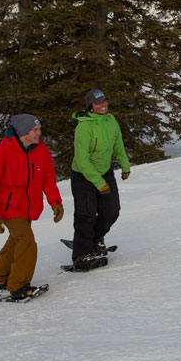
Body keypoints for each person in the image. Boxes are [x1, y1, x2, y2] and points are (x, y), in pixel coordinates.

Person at [0, 113, 64, 300]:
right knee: (26, 242)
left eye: (39, 129)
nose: (39, 133)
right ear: (22, 132)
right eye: (35, 130)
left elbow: (48, 180)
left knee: (15, 241)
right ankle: (18, 285)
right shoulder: (0, 152)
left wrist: (55, 202)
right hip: (7, 208)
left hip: (29, 208)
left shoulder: (41, 151)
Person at [69, 88, 131, 271]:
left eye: (104, 101)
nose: (103, 105)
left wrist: (124, 165)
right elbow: (82, 160)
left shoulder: (110, 120)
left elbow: (118, 143)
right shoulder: (84, 127)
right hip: (83, 176)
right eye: (98, 102)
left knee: (112, 211)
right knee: (86, 215)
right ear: (90, 106)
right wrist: (98, 183)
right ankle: (81, 255)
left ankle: (95, 239)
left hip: (105, 172)